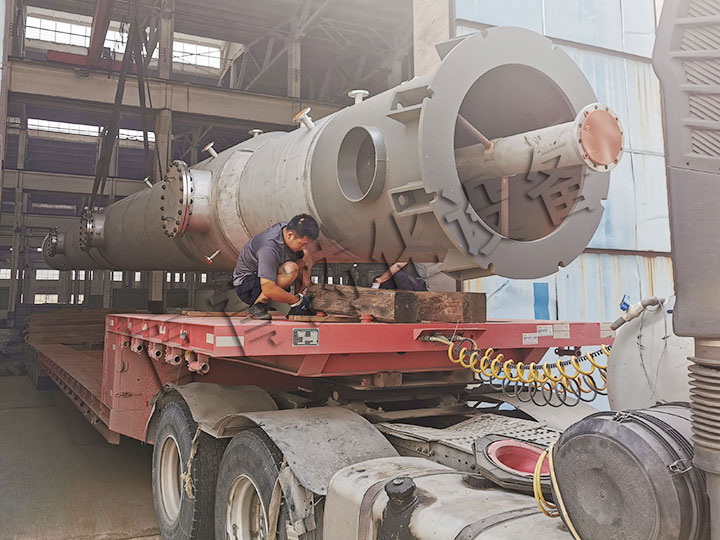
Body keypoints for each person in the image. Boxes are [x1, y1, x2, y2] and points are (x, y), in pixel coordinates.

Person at [233, 214, 318, 320]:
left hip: (267, 277)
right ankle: (257, 306)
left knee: (303, 259)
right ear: (290, 235)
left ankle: (298, 309)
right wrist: (297, 300)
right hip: (247, 285)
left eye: (307, 244)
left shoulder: (289, 229)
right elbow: (268, 289)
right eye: (302, 244)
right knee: (291, 269)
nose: (304, 247)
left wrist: (306, 292)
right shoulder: (268, 248)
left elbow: (305, 263)